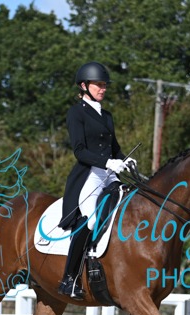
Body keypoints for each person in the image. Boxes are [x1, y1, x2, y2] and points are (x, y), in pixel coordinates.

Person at [57, 61, 135, 300]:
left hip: (110, 175)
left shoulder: (107, 115)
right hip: (89, 175)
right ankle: (69, 279)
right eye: (98, 85)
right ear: (84, 86)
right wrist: (108, 162)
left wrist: (125, 160)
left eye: (104, 85)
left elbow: (115, 147)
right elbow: (80, 151)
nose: (103, 89)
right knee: (90, 220)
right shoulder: (76, 113)